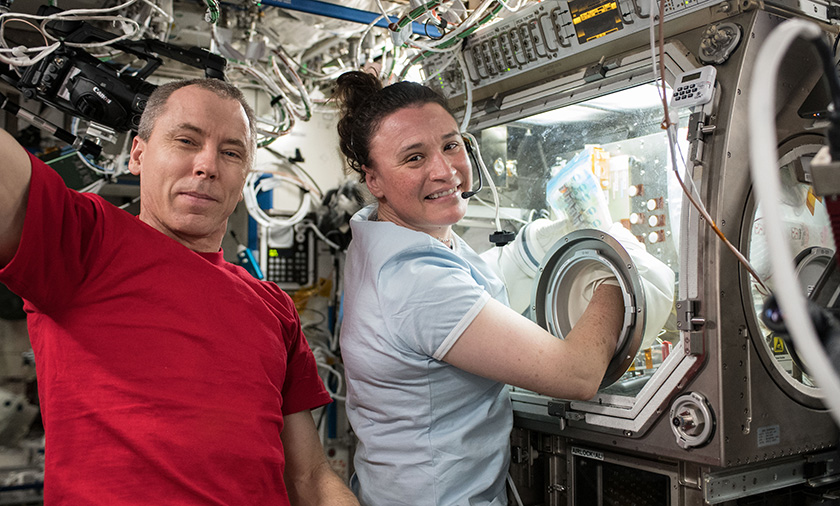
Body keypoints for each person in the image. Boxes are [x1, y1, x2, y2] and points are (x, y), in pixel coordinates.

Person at [0, 78, 358, 505]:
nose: (207, 165)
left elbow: (311, 478)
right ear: (137, 154)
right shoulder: (85, 242)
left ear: (244, 175)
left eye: (231, 152)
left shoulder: (273, 306)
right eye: (186, 141)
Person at [333, 71, 627, 506]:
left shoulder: (384, 234)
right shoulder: (416, 282)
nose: (445, 169)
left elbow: (468, 282)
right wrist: (617, 268)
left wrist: (537, 241)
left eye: (451, 144)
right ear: (372, 179)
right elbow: (577, 374)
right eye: (414, 158)